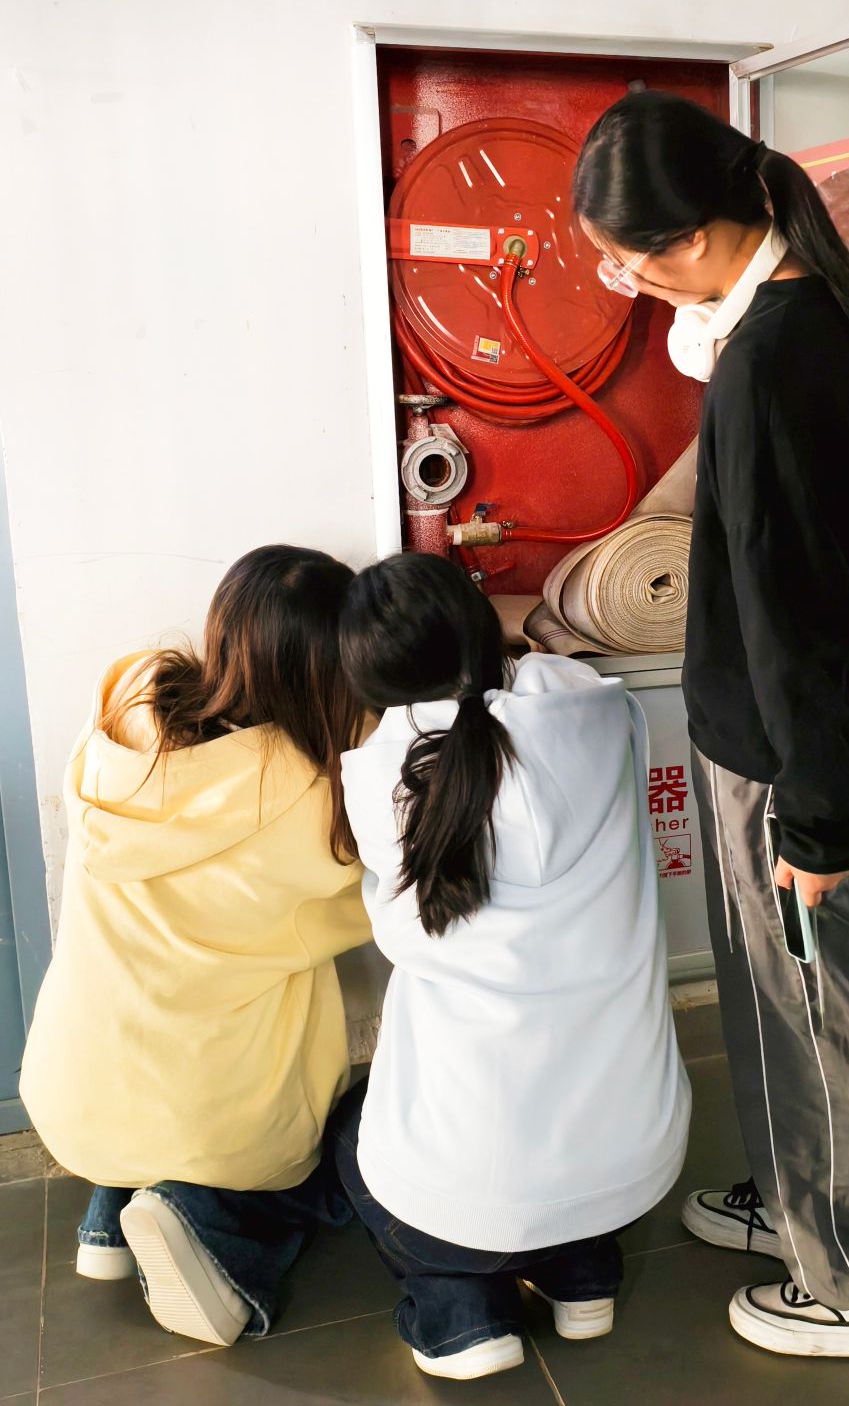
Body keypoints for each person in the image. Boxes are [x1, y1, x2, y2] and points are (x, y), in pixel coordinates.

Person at [572, 91, 849, 1362]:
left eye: (629, 263)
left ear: (694, 239)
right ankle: (802, 1199)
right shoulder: (822, 303)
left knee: (818, 1001)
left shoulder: (772, 361)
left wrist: (812, 812)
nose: (626, 285)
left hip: (809, 755)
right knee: (782, 992)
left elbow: (794, 608)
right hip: (843, 727)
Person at [331, 552, 691, 1382]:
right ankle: (583, 1273)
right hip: (632, 1161)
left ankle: (460, 1316)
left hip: (476, 1181)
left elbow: (398, 931)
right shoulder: (596, 711)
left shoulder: (382, 774)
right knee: (561, 1111)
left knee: (355, 1137)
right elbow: (535, 669)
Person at [17, 545, 372, 1347]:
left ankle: (108, 1216)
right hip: (220, 1124)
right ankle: (208, 1228)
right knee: (320, 1167)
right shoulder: (309, 790)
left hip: (73, 1091)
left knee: (147, 1076)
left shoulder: (129, 705)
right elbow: (380, 910)